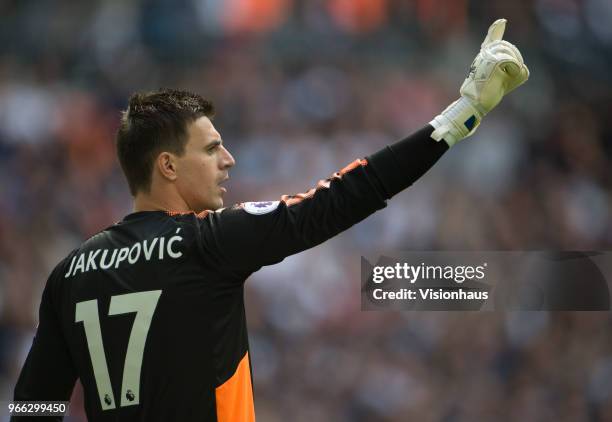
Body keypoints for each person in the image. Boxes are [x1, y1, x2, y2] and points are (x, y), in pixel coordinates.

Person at [12, 19, 528, 422]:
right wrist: (460, 116)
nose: (228, 159)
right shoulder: (205, 241)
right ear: (167, 165)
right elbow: (343, 197)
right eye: (212, 148)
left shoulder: (69, 275)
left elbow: (34, 407)